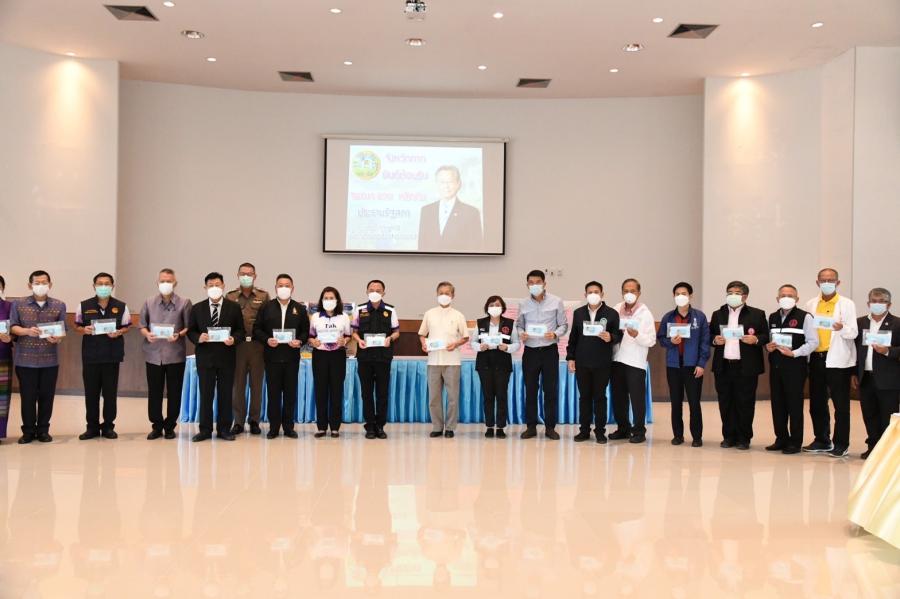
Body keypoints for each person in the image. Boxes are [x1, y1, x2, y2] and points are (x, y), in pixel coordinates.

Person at [803, 268, 858, 458]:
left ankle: (841, 444)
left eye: (831, 280)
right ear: (817, 282)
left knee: (841, 405)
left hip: (838, 360)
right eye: (823, 280)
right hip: (816, 358)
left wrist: (842, 328)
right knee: (817, 403)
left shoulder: (847, 304)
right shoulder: (811, 304)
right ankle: (822, 440)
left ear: (838, 282)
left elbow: (853, 332)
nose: (827, 283)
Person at [709, 281, 769, 450]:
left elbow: (766, 336)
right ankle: (728, 436)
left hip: (746, 367)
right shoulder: (718, 314)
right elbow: (709, 335)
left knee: (745, 403)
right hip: (724, 366)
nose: (732, 296)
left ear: (745, 296)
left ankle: (744, 438)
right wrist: (715, 340)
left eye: (737, 293)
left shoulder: (757, 314)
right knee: (725, 402)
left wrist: (756, 339)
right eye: (730, 292)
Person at [8, 270, 67, 444]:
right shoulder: (18, 304)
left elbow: (62, 330)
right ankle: (27, 431)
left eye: (44, 282)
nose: (41, 286)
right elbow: (13, 326)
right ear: (30, 285)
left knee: (47, 397)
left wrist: (57, 338)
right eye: (37, 283)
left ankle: (43, 430)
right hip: (25, 360)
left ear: (50, 284)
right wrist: (27, 331)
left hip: (50, 360)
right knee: (27, 397)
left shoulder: (59, 305)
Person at [187, 272, 245, 442]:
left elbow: (240, 331)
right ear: (205, 287)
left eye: (217, 285)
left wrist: (234, 339)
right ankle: (205, 430)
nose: (214, 288)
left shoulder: (233, 307)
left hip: (227, 358)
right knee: (206, 395)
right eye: (211, 285)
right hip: (205, 358)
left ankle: (224, 429)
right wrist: (198, 338)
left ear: (223, 286)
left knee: (225, 395)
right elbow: (191, 331)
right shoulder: (197, 308)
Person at [74, 272, 131, 440]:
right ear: (94, 286)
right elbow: (77, 325)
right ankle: (91, 427)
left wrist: (119, 332)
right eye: (100, 283)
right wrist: (84, 330)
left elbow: (126, 326)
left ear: (112, 286)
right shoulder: (84, 305)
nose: (103, 286)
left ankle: (108, 427)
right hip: (91, 356)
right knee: (91, 394)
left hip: (112, 356)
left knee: (110, 394)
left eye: (107, 283)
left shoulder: (121, 306)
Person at [764, 284, 818, 454]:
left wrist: (794, 353)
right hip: (776, 366)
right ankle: (781, 438)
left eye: (790, 295)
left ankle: (795, 442)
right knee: (777, 404)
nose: (786, 298)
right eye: (783, 295)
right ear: (777, 299)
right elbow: (770, 340)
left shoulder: (805, 317)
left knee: (794, 405)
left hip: (795, 367)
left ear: (797, 299)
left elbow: (813, 342)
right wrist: (768, 347)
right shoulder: (772, 317)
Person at [139, 268, 192, 440]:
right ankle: (156, 425)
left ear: (175, 283)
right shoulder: (149, 302)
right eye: (162, 281)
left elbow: (189, 327)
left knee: (174, 392)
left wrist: (179, 334)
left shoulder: (184, 303)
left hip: (175, 354)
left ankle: (170, 426)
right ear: (157, 283)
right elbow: (142, 325)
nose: (165, 284)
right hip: (153, 355)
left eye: (169, 281)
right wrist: (147, 334)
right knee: (154, 391)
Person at [253, 274, 309, 439]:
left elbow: (305, 331)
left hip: (292, 358)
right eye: (280, 285)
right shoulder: (266, 307)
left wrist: (300, 341)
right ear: (275, 288)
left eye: (287, 285)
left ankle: (289, 427)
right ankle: (274, 427)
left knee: (290, 394)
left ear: (292, 288)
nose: (284, 288)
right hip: (272, 358)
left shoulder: (300, 309)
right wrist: (266, 339)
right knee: (274, 394)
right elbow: (257, 329)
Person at [566, 281, 622, 444]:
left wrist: (611, 337)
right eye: (590, 292)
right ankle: (584, 430)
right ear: (585, 295)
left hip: (602, 362)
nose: (593, 295)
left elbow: (618, 334)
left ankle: (600, 431)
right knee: (584, 397)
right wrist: (571, 357)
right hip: (582, 362)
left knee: (599, 397)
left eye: (596, 292)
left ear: (602, 294)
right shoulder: (578, 313)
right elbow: (573, 338)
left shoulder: (611, 313)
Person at [516, 269, 568, 440]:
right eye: (531, 282)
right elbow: (519, 325)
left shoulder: (556, 301)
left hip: (549, 351)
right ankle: (531, 427)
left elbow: (564, 325)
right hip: (530, 351)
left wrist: (555, 334)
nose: (534, 285)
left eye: (538, 282)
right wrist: (521, 333)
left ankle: (550, 427)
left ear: (545, 283)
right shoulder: (523, 303)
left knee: (550, 390)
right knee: (530, 390)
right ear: (527, 285)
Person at [657, 282, 711, 447]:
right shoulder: (668, 317)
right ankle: (678, 435)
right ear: (674, 296)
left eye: (684, 293)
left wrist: (701, 364)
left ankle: (697, 437)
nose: (681, 296)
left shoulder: (699, 317)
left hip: (693, 366)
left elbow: (705, 342)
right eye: (677, 294)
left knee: (694, 403)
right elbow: (661, 339)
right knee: (676, 402)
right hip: (673, 366)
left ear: (690, 296)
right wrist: (671, 342)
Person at [418, 281, 470, 438]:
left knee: (452, 397)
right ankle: (437, 426)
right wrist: (424, 344)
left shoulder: (458, 315)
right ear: (437, 294)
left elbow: (465, 337)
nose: (444, 296)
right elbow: (422, 334)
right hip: (433, 361)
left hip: (452, 361)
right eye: (441, 293)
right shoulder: (429, 313)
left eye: (447, 293)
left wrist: (456, 344)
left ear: (453, 295)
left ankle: (450, 427)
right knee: (434, 397)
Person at [853, 287, 900, 459]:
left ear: (889, 304)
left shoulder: (897, 323)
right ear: (868, 303)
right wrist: (854, 373)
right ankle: (872, 447)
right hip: (865, 377)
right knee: (869, 414)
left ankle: (887, 451)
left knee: (887, 416)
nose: (877, 304)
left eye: (882, 301)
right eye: (874, 301)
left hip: (889, 379)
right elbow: (854, 349)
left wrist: (887, 351)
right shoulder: (860, 323)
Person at [226, 262, 270, 436]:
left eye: (249, 274)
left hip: (258, 346)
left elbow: (268, 321)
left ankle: (254, 421)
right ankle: (238, 422)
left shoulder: (263, 296)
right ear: (237, 275)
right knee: (237, 386)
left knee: (256, 386)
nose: (246, 276)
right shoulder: (230, 296)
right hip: (237, 346)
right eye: (243, 273)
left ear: (255, 276)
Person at [352, 279, 400, 439]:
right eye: (371, 289)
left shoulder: (390, 310)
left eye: (378, 290)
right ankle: (370, 426)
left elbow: (396, 332)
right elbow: (354, 332)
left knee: (382, 393)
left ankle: (380, 426)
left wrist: (390, 338)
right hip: (364, 357)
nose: (375, 292)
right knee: (366, 393)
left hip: (383, 357)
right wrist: (359, 340)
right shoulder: (359, 309)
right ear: (367, 292)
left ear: (383, 293)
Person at [610, 278, 656, 444]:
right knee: (618, 397)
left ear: (639, 293)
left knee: (636, 398)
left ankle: (639, 431)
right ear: (622, 292)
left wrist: (637, 335)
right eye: (626, 291)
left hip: (635, 362)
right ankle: (623, 428)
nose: (629, 294)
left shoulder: (645, 313)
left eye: (633, 291)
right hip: (616, 359)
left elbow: (651, 340)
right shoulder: (616, 309)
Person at [473, 296, 519, 439]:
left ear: (502, 307)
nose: (494, 307)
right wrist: (480, 347)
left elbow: (517, 343)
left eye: (497, 304)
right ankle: (489, 426)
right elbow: (473, 342)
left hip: (502, 363)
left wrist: (507, 347)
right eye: (491, 304)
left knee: (501, 395)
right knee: (488, 396)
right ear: (487, 307)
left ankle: (500, 427)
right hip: (484, 364)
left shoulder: (510, 324)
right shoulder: (480, 323)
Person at [309, 286, 350, 438]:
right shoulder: (315, 317)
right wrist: (313, 341)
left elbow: (348, 335)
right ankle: (321, 427)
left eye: (331, 298)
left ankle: (335, 427)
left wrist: (344, 341)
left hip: (337, 356)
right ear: (321, 300)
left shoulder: (344, 317)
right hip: (320, 355)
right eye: (325, 298)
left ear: (337, 300)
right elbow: (310, 336)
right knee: (320, 391)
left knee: (336, 390)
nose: (328, 300)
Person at [417, 165, 484, 252]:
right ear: (436, 184)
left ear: (458, 184)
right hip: (430, 261)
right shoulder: (426, 211)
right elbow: (422, 246)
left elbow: (475, 248)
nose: (446, 186)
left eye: (450, 182)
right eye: (442, 182)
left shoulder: (471, 213)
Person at [0, 275, 12, 444]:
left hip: (2, 357)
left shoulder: (9, 307)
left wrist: (11, 337)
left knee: (1, 398)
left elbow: (15, 329)